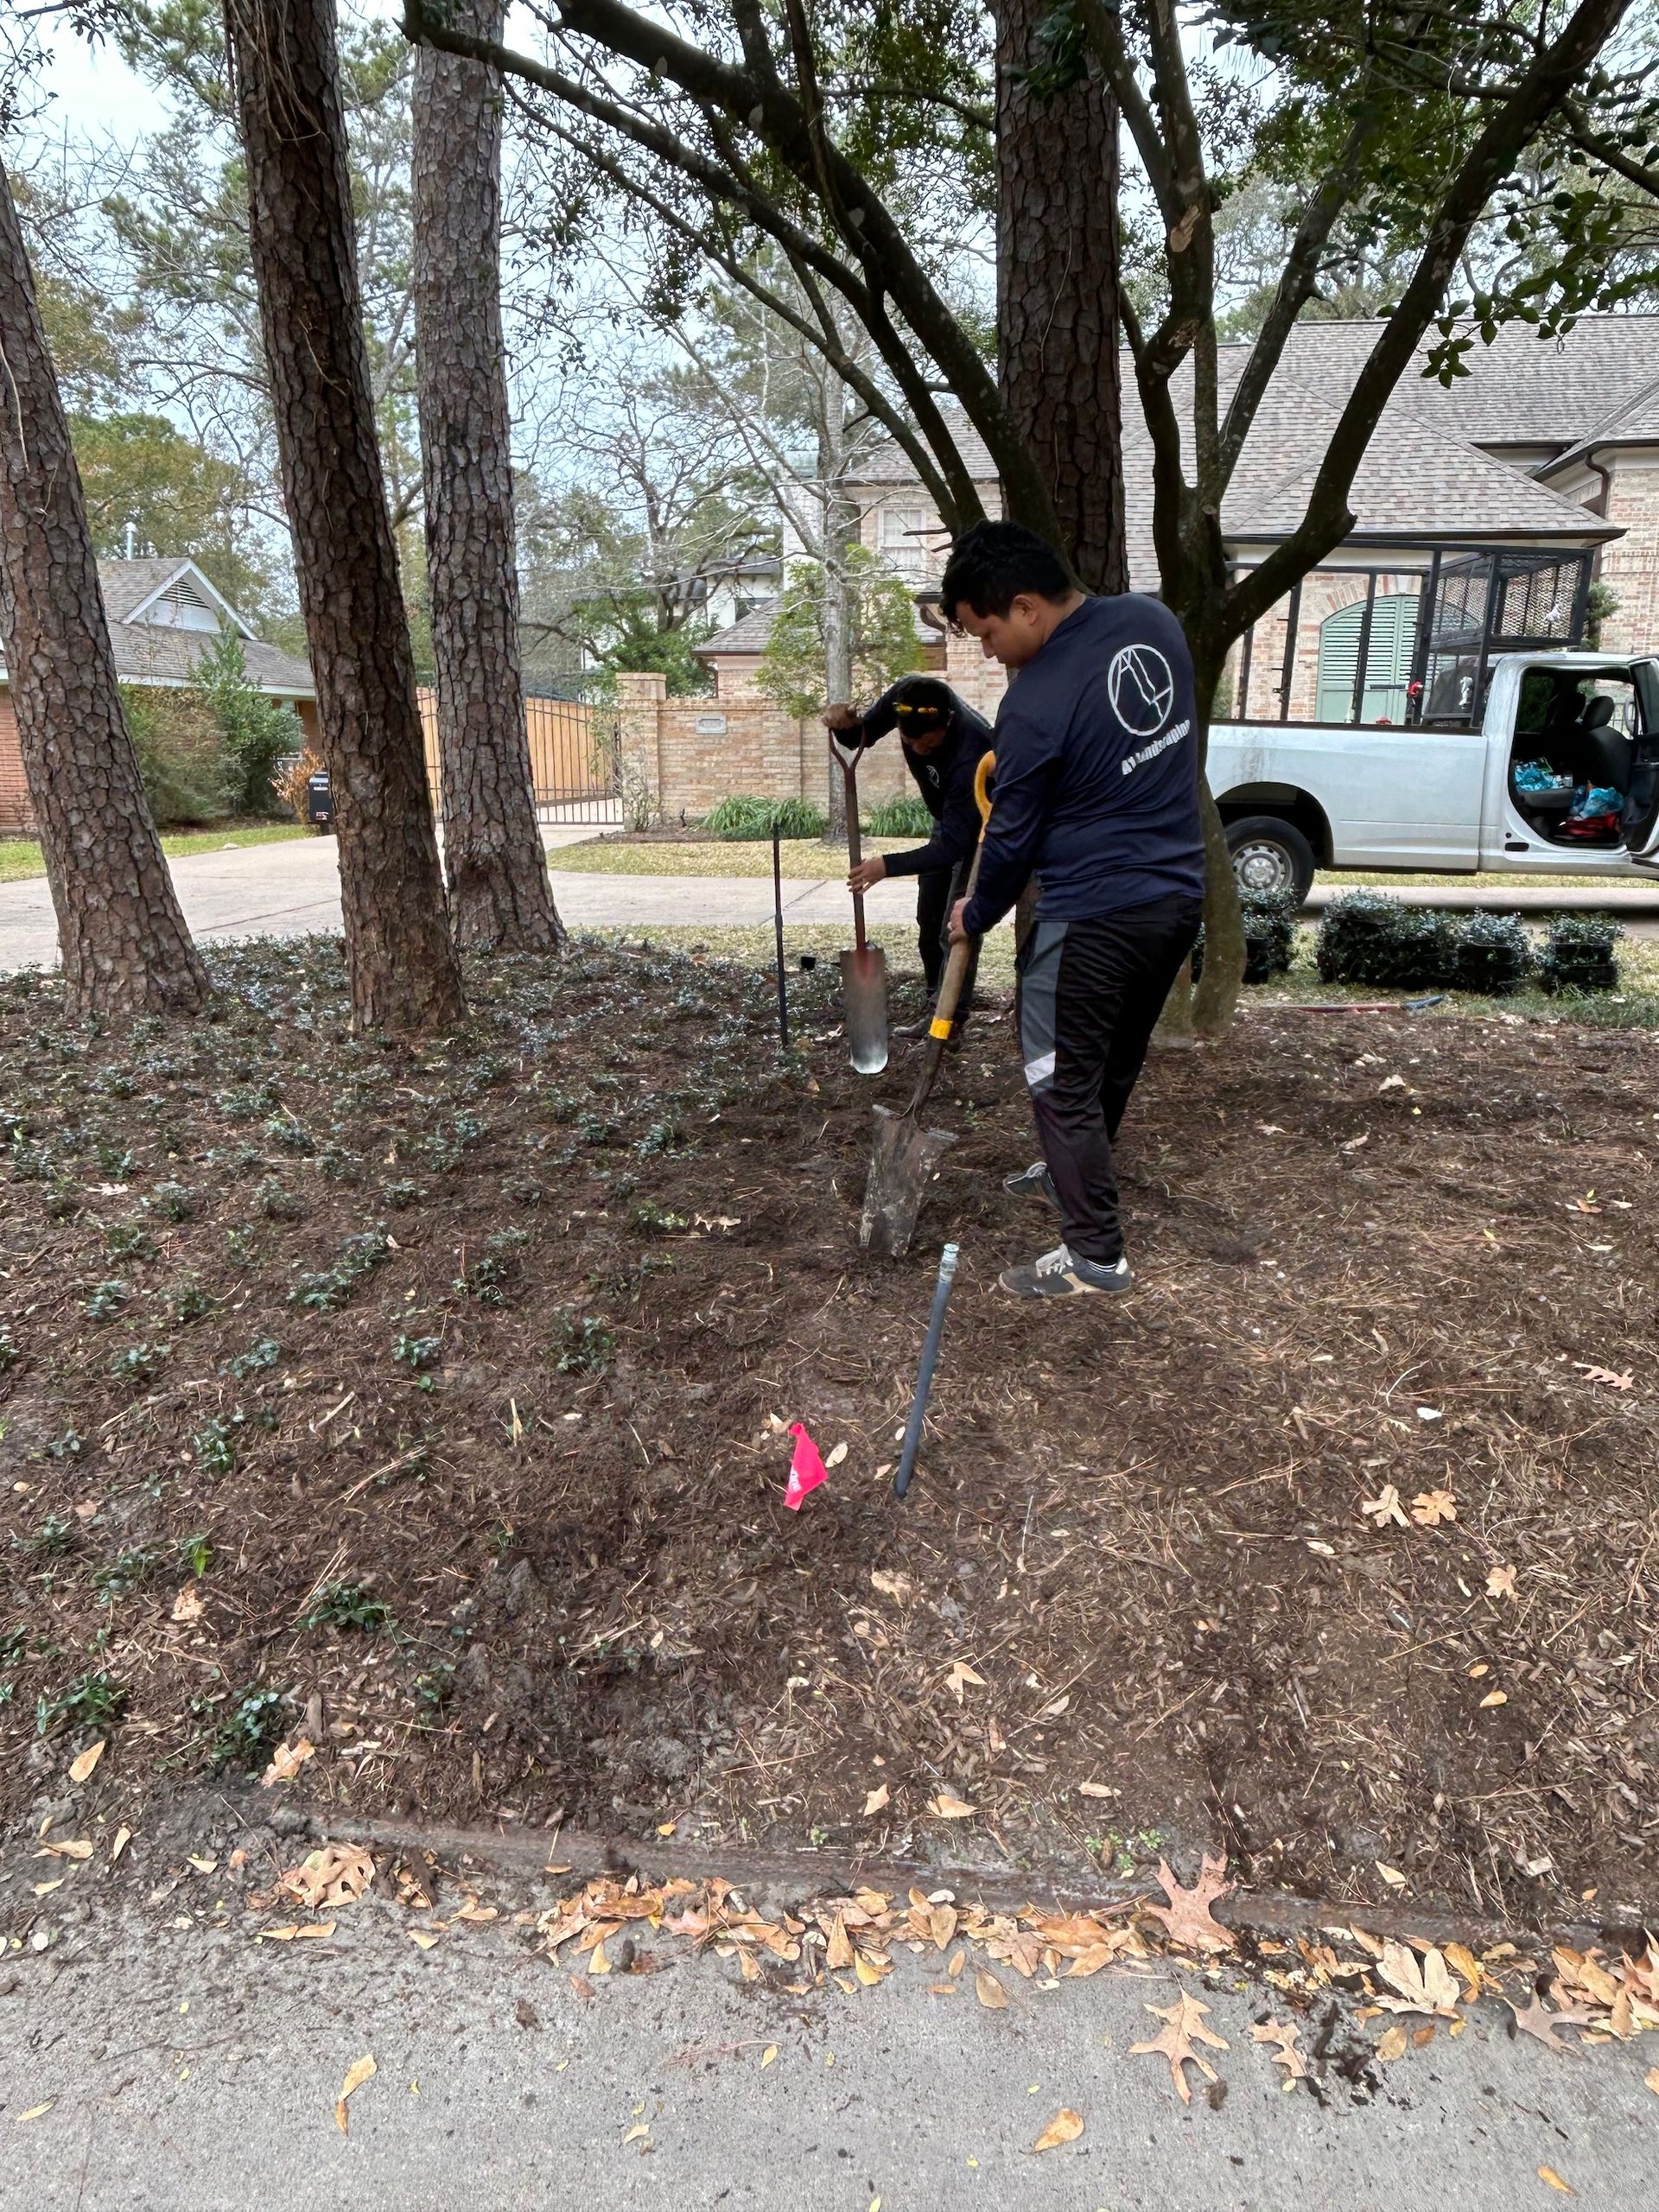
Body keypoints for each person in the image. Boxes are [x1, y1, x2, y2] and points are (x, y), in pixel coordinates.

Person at [942, 519, 1205, 1300]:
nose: (985, 650)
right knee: (1111, 1063)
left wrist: (975, 913)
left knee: (1058, 1080)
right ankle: (1070, 1175)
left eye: (984, 631)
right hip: (1174, 901)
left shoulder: (1034, 705)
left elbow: (1012, 837)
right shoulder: (1154, 623)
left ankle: (1095, 1255)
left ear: (1025, 607)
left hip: (1093, 914)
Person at [823, 675, 993, 1039]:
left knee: (957, 928)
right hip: (946, 821)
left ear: (946, 722)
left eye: (927, 742)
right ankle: (936, 1007)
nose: (917, 748)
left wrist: (887, 866)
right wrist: (846, 724)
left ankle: (950, 1023)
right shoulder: (905, 700)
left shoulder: (972, 752)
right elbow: (860, 737)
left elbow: (953, 848)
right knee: (929, 922)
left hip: (981, 830)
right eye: (908, 739)